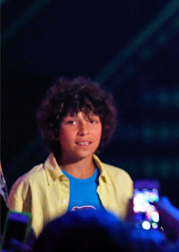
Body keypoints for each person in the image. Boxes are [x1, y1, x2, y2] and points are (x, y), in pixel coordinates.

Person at [8, 76, 133, 237]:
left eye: (92, 121)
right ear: (55, 128)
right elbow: (12, 248)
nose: (84, 131)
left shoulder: (121, 181)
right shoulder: (30, 184)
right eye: (72, 122)